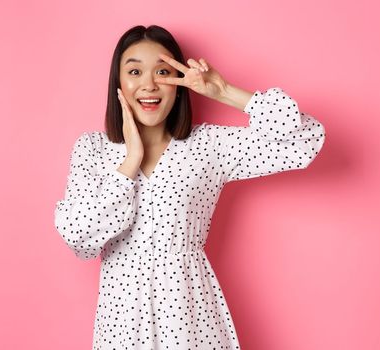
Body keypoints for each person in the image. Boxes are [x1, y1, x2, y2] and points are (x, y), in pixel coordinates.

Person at [53, 24, 326, 349]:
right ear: (119, 84)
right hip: (121, 319)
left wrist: (223, 91)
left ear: (179, 85)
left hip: (188, 314)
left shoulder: (207, 145)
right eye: (135, 71)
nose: (149, 84)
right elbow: (79, 238)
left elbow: (305, 140)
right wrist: (130, 161)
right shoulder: (93, 150)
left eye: (163, 71)